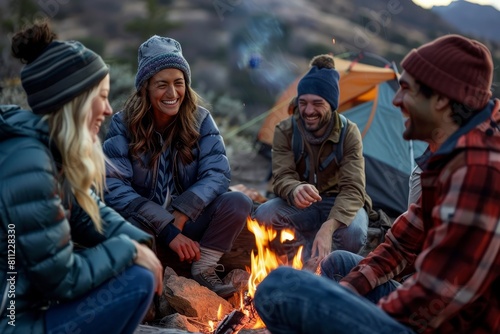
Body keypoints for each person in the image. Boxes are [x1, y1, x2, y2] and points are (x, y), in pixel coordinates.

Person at [254, 34, 500, 334]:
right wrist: (344, 295)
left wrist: (339, 312)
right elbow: (401, 244)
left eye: (406, 90)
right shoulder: (449, 156)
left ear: (441, 100)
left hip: (445, 325)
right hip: (426, 310)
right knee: (339, 264)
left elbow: (436, 298)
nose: (395, 100)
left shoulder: (479, 168)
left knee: (281, 287)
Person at [0, 21, 163, 334]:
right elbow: (61, 279)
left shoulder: (45, 150)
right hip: (12, 323)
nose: (108, 109)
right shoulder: (29, 164)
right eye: (100, 96)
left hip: (23, 311)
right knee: (137, 281)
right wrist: (129, 252)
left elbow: (90, 213)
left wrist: (141, 241)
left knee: (135, 270)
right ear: (73, 101)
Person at [102, 35, 253, 299]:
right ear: (145, 88)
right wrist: (168, 228)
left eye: (178, 83)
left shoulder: (201, 120)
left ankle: (204, 267)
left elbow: (217, 174)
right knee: (129, 224)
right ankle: (145, 287)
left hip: (189, 222)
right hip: (145, 225)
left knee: (238, 202)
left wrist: (182, 214)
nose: (172, 94)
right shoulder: (122, 124)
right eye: (162, 85)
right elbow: (114, 186)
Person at [253, 54, 370, 262]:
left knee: (353, 233)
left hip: (338, 202)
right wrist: (294, 188)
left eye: (317, 103)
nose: (308, 111)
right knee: (265, 215)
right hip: (301, 204)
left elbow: (354, 189)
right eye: (303, 102)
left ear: (332, 104)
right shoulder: (286, 129)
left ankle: (330, 271)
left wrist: (329, 226)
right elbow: (282, 176)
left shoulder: (348, 132)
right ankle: (295, 263)